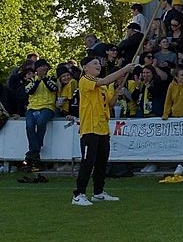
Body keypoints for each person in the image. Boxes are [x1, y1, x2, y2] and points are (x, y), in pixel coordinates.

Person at [71, 57, 134, 206]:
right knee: (88, 162)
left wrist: (116, 95)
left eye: (99, 63)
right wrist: (124, 69)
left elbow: (109, 105)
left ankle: (98, 192)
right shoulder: (85, 80)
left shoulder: (102, 86)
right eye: (94, 63)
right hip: (90, 128)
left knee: (101, 162)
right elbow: (105, 81)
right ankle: (78, 194)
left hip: (102, 128)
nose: (98, 65)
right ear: (85, 68)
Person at [23, 59, 59, 170]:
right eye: (41, 66)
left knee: (41, 122)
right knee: (29, 126)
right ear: (36, 69)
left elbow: (54, 89)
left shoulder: (52, 79)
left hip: (47, 107)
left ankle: (34, 150)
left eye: (45, 66)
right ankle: (35, 150)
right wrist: (38, 80)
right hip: (32, 108)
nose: (44, 68)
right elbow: (30, 91)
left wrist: (44, 79)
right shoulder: (31, 80)